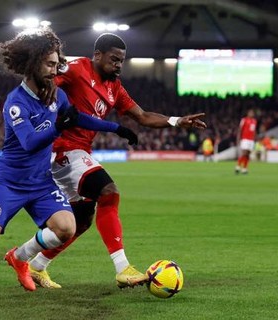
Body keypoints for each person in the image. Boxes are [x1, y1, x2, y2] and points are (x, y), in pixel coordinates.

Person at [0, 28, 138, 304]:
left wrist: (116, 128)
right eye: (49, 64)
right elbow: (30, 142)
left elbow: (77, 118)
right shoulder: (16, 103)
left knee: (68, 226)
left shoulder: (57, 95)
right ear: (33, 64)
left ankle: (20, 258)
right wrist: (57, 127)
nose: (55, 70)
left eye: (57, 64)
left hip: (41, 182)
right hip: (9, 182)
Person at [28, 33, 207, 289]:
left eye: (122, 60)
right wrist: (44, 107)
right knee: (109, 192)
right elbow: (42, 79)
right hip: (61, 150)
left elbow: (143, 116)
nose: (118, 65)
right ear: (97, 55)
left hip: (80, 152)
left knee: (82, 220)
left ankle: (36, 265)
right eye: (114, 59)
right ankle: (123, 268)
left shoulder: (114, 87)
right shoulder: (77, 68)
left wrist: (176, 121)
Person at [235, 109, 257, 174]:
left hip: (251, 140)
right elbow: (240, 129)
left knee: (248, 154)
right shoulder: (244, 120)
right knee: (244, 153)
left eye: (252, 113)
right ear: (247, 113)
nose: (251, 114)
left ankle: (244, 168)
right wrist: (238, 138)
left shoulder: (254, 121)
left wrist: (255, 138)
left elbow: (254, 131)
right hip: (245, 139)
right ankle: (238, 166)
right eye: (250, 113)